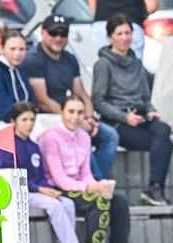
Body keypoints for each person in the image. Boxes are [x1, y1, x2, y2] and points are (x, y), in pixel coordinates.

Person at [0, 102, 103, 243]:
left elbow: (41, 174)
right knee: (54, 206)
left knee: (67, 203)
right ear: (14, 121)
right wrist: (39, 188)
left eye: (32, 120)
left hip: (34, 192)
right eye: (24, 120)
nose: (29, 124)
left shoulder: (33, 146)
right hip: (16, 194)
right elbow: (5, 176)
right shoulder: (8, 146)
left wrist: (48, 189)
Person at [38, 96, 131, 243]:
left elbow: (85, 171)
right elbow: (60, 179)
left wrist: (97, 185)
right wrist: (90, 188)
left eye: (80, 112)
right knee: (98, 201)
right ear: (62, 112)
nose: (75, 117)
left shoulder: (83, 137)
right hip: (58, 188)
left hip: (80, 187)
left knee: (119, 202)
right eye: (71, 111)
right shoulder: (50, 138)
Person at [22, 14, 120, 180]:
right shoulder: (34, 59)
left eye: (63, 34)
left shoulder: (70, 59)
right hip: (45, 117)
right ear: (43, 33)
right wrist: (78, 120)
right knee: (80, 133)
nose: (58, 38)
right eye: (53, 33)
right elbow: (42, 101)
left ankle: (96, 183)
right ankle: (95, 185)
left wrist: (89, 118)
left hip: (71, 115)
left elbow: (81, 93)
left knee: (110, 135)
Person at [92, 13, 173, 206]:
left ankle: (154, 187)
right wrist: (124, 117)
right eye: (119, 33)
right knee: (163, 143)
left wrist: (151, 110)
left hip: (140, 116)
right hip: (118, 120)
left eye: (128, 33)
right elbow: (98, 100)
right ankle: (155, 189)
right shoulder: (103, 64)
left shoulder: (136, 63)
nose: (124, 38)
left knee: (164, 130)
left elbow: (145, 97)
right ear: (110, 37)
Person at [0, 30, 34, 133]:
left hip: (24, 121)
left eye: (22, 49)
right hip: (0, 125)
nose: (17, 54)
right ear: (3, 48)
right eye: (12, 49)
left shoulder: (20, 70)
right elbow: (3, 110)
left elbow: (31, 100)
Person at [89, 0, 160, 63]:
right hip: (130, 23)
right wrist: (141, 14)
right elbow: (152, 6)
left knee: (104, 67)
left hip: (102, 23)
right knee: (133, 70)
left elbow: (92, 4)